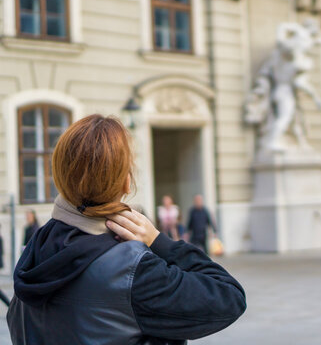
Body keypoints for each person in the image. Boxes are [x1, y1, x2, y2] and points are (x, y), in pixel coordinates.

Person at [8, 115, 246, 344]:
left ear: (59, 176)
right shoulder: (131, 269)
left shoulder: (37, 246)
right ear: (125, 181)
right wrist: (159, 241)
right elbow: (229, 297)